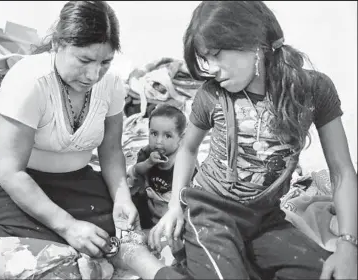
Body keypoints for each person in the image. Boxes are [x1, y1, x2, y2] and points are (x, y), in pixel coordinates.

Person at [144, 1, 357, 279]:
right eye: (206, 59)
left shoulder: (314, 91)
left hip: (265, 218)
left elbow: (341, 171)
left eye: (217, 54)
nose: (213, 69)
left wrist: (348, 244)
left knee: (326, 273)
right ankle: (157, 266)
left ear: (253, 42)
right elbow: (188, 148)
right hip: (211, 212)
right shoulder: (212, 95)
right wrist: (174, 207)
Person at [0, 1, 140, 259]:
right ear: (57, 45)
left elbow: (111, 151)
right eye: (84, 60)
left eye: (105, 62)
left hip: (70, 177)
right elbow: (10, 173)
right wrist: (69, 226)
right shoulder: (30, 81)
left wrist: (121, 198)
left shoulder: (112, 83)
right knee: (49, 248)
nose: (93, 74)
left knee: (109, 231)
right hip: (8, 176)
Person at [127, 104, 197, 230]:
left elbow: (189, 195)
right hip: (150, 203)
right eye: (154, 133)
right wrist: (149, 162)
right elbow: (136, 171)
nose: (159, 141)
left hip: (173, 207)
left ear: (181, 138)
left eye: (167, 136)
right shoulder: (147, 152)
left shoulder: (184, 160)